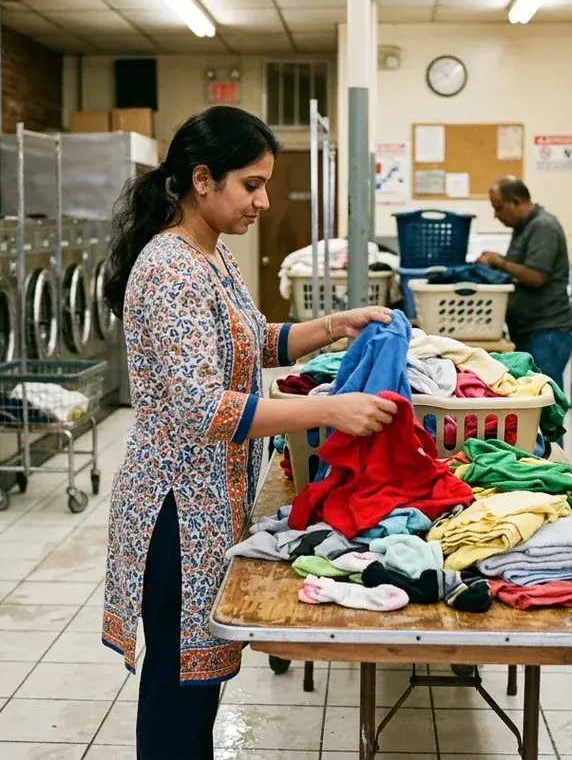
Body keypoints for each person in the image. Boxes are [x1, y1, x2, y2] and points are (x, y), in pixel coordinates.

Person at [100, 105, 398, 760]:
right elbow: (204, 407)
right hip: (177, 511)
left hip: (213, 498)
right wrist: (330, 411)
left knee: (197, 683)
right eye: (251, 184)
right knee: (179, 688)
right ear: (202, 180)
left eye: (266, 184)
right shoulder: (171, 268)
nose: (263, 200)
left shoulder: (211, 255)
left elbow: (253, 340)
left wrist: (334, 324)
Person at [476, 176, 572, 409]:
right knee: (530, 404)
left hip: (547, 332)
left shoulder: (543, 226)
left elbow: (536, 276)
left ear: (517, 201)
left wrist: (500, 263)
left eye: (498, 207)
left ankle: (551, 447)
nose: (496, 215)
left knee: (544, 406)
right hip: (530, 329)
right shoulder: (523, 228)